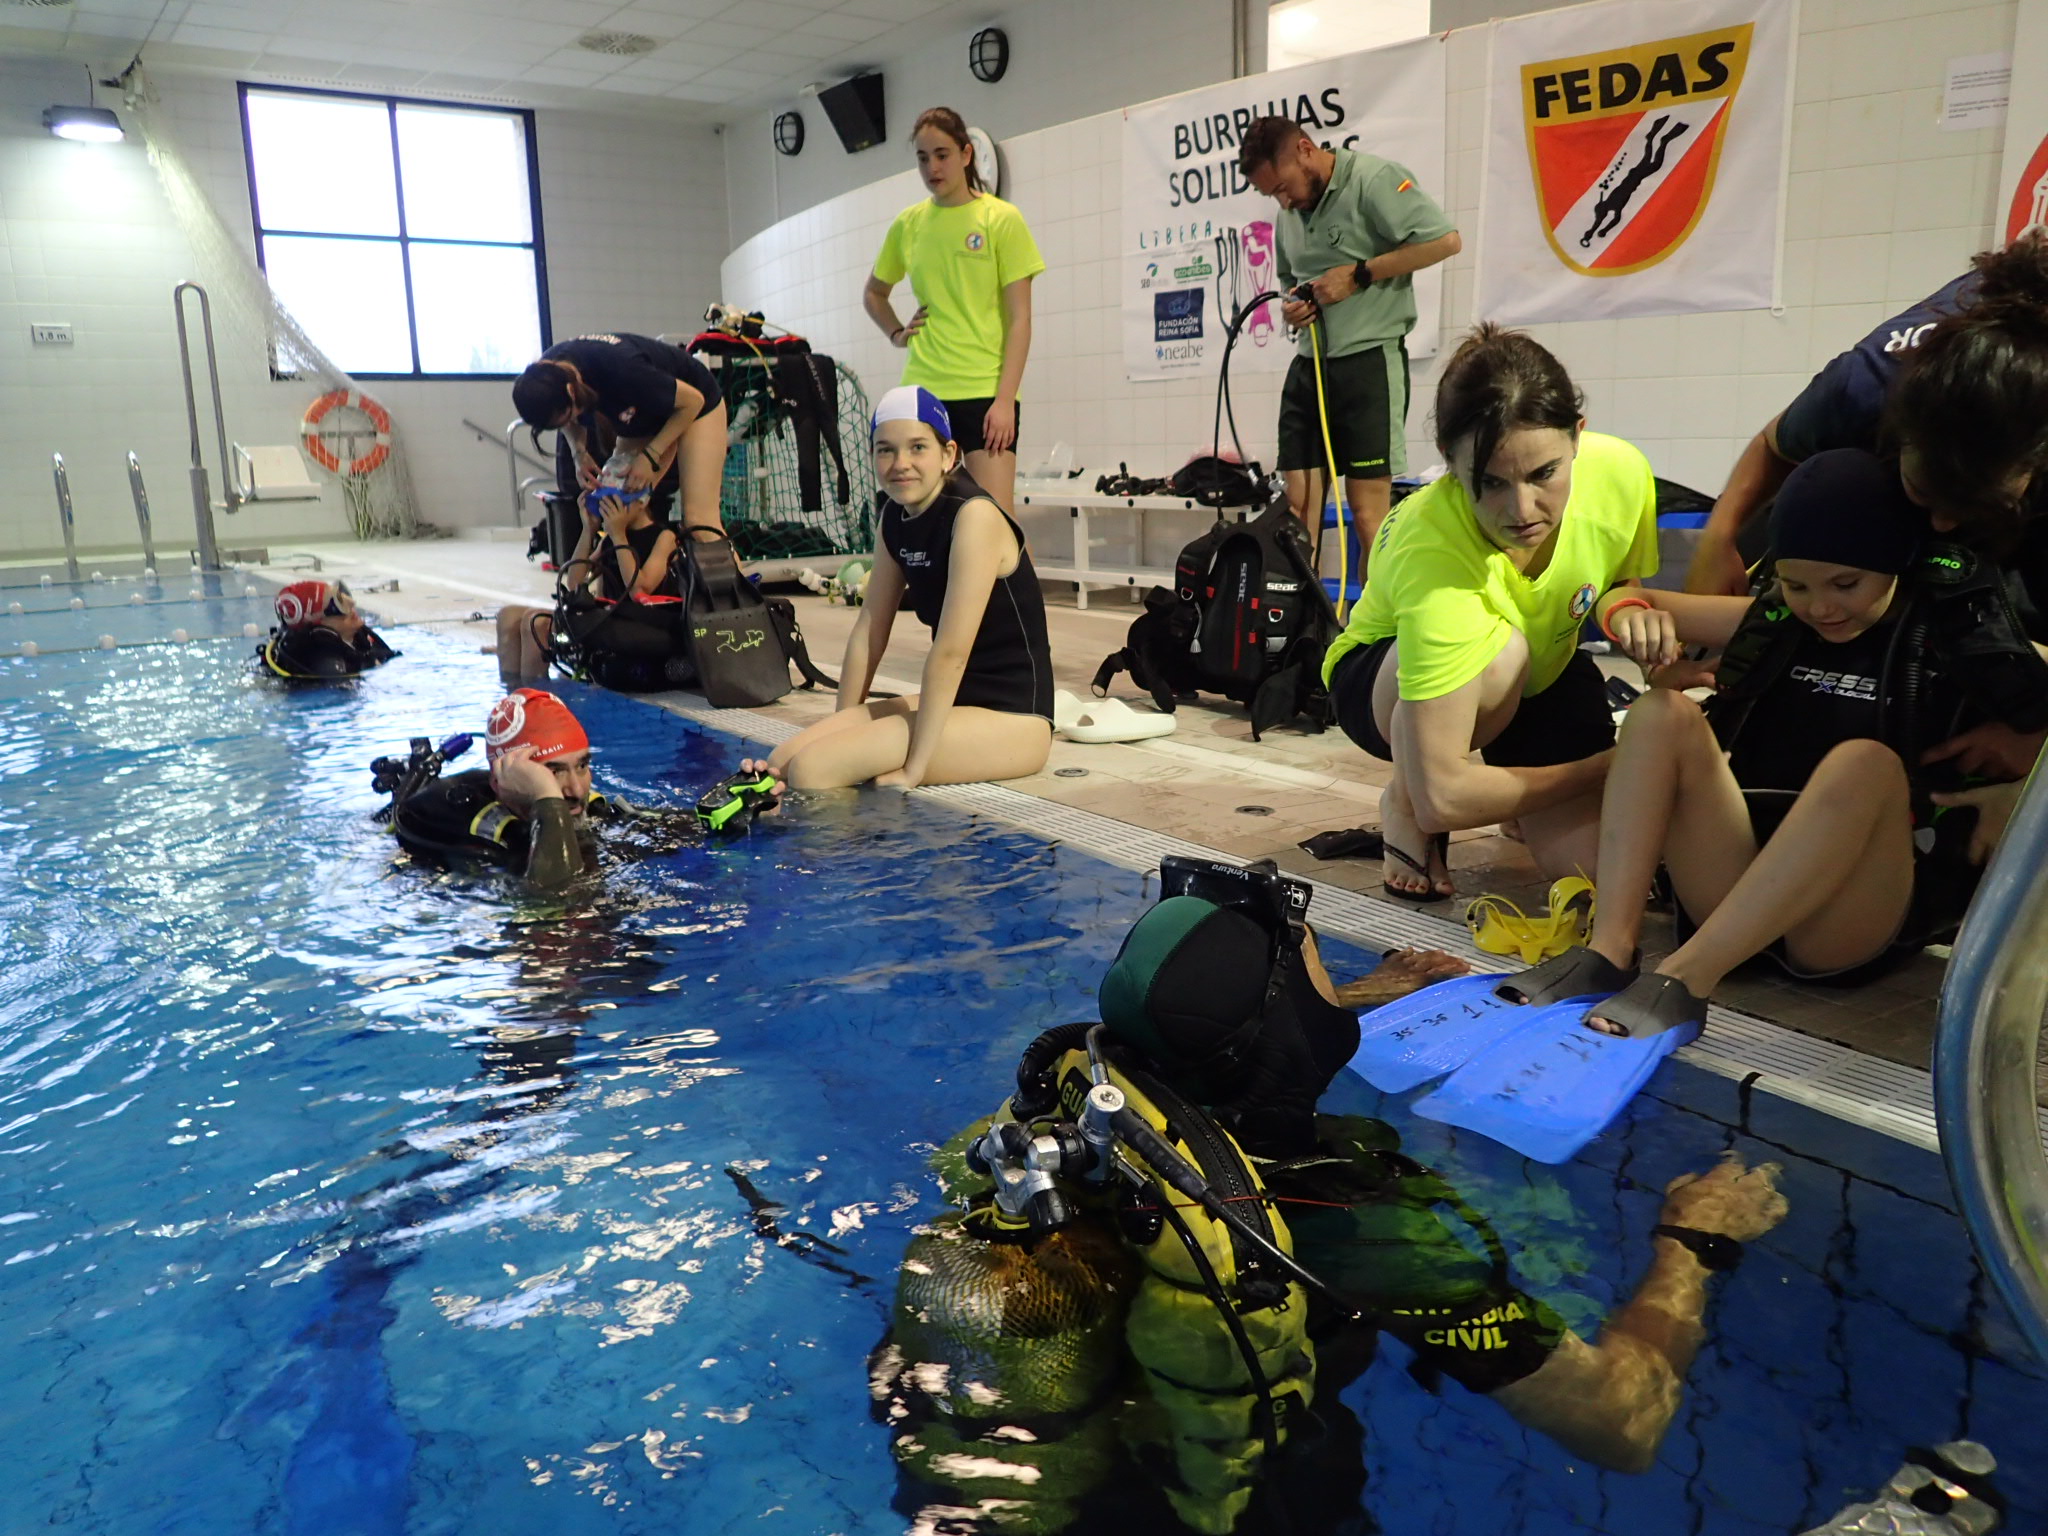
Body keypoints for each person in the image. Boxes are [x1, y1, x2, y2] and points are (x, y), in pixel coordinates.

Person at [874, 861, 1789, 1535]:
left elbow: (1224, 1044)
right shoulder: (1354, 1226)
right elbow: (1622, 1425)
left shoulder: (1078, 1121)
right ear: (1285, 1027)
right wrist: (1691, 1244)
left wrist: (1359, 996)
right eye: (1316, 970)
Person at [1499, 449, 2045, 1038]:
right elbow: (1633, 600)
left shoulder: (1953, 637)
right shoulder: (1782, 620)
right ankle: (1610, 948)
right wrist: (1630, 611)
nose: (1822, 606)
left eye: (1846, 583)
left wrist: (2022, 776)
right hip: (1734, 888)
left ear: (1896, 563)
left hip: (1845, 923)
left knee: (1862, 762)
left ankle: (1685, 979)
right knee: (1659, 712)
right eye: (1797, 584)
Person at [1684, 240, 2048, 774]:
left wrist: (2036, 744)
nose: (1944, 523)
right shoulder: (1867, 383)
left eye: (1968, 504)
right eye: (1926, 495)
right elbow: (1776, 445)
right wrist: (1717, 541)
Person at [1322, 324, 1658, 901]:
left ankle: (1511, 793)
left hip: (1546, 661)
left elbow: (1617, 577)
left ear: (1578, 437)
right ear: (1451, 466)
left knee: (1604, 873)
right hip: (1383, 678)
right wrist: (1616, 762)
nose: (1523, 509)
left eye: (1544, 474)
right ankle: (1402, 791)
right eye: (1491, 483)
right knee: (1503, 654)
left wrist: (1627, 603)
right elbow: (1447, 800)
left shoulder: (1623, 475)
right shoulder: (1435, 551)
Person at [746, 387, 1052, 790]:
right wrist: (842, 728)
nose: (900, 464)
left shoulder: (974, 517)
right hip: (957, 703)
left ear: (948, 455)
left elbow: (951, 653)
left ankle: (846, 853)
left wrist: (915, 768)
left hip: (1014, 718)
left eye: (918, 448)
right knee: (783, 761)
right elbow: (868, 634)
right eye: (885, 450)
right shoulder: (894, 515)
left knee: (814, 771)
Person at [1238, 116, 1462, 555]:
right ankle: (1302, 623)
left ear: (1305, 150)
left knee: (1367, 513)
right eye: (1271, 196)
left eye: (1284, 188)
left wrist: (1360, 274)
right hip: (1310, 365)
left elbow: (1445, 241)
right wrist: (1292, 309)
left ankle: (1374, 624)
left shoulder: (1373, 179)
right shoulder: (1290, 213)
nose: (1282, 203)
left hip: (1368, 362)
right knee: (1298, 510)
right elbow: (1289, 280)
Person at [863, 106, 1044, 513]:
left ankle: (1020, 582)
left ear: (966, 155)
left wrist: (1005, 400)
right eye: (923, 158)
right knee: (927, 517)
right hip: (924, 391)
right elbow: (874, 293)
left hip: (984, 392)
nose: (933, 167)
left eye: (942, 155)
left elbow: (1020, 320)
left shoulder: (1001, 219)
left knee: (995, 520)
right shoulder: (908, 225)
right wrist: (896, 333)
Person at [510, 331, 730, 536]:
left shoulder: (622, 368)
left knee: (699, 522)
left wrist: (651, 456)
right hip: (642, 414)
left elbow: (692, 403)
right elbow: (568, 422)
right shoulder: (547, 373)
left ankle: (734, 576)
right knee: (618, 516)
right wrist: (579, 452)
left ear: (571, 391)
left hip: (694, 402)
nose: (573, 423)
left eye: (569, 416)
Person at [391, 689, 613, 887]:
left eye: (582, 765)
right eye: (553, 772)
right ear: (500, 780)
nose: (576, 790)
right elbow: (558, 897)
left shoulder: (596, 811)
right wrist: (548, 798)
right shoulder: (466, 829)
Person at [494, 479, 682, 686]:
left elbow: (639, 589)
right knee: (508, 615)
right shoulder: (611, 537)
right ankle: (512, 696)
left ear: (641, 502)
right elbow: (574, 583)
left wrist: (619, 535)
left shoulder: (665, 537)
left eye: (613, 503)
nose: (607, 510)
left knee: (536, 621)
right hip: (608, 617)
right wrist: (588, 530)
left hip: (641, 622)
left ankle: (535, 698)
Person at [256, 579, 396, 681]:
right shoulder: (324, 662)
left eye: (342, 595)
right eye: (338, 602)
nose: (351, 603)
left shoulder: (359, 636)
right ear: (317, 621)